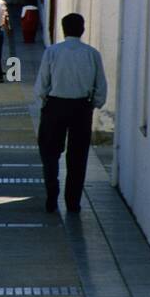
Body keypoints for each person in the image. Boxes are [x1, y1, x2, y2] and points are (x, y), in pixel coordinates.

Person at [34, 13, 108, 213]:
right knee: (78, 155)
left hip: (55, 106)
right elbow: (100, 84)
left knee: (49, 151)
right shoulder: (92, 54)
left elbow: (42, 84)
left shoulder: (52, 52)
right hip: (81, 108)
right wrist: (94, 104)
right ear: (82, 29)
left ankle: (52, 193)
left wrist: (45, 99)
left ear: (63, 29)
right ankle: (73, 201)